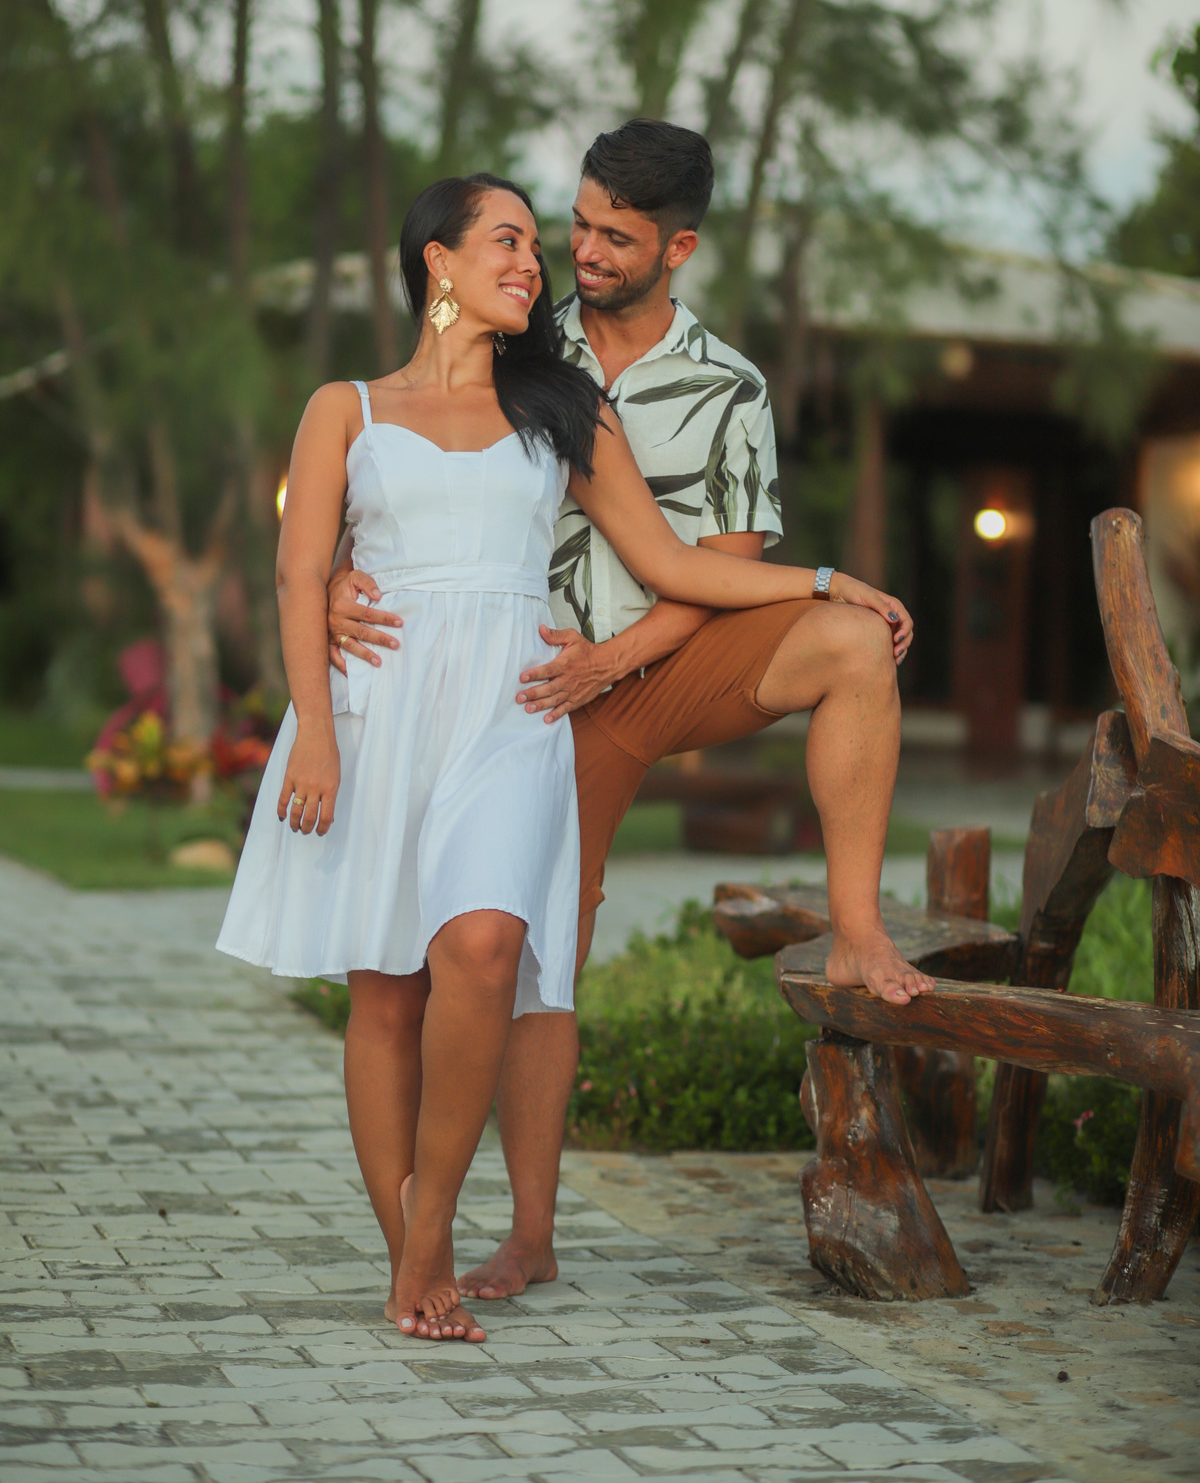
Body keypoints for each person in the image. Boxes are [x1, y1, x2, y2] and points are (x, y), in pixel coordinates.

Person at [219, 169, 920, 1346]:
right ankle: (410, 1260)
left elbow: (674, 562)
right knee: (386, 995)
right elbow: (299, 574)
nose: (533, 264)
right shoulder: (343, 406)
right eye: (508, 242)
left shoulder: (560, 410)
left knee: (487, 947)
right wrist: (318, 731)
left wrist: (820, 579)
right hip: (378, 707)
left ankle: (435, 1218)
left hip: (513, 706)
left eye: (536, 250)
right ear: (436, 261)